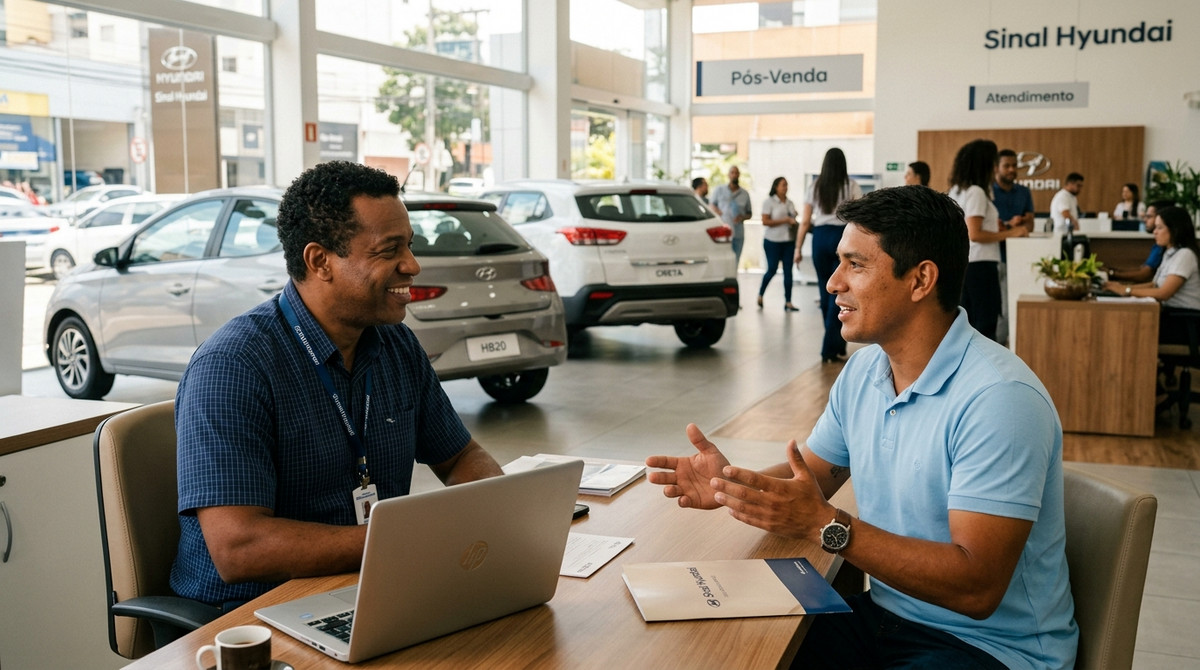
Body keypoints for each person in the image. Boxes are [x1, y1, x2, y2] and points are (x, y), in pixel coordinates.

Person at [645, 185, 1077, 670]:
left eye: (855, 265)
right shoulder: (866, 370)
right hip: (888, 619)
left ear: (920, 280)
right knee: (727, 648)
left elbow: (977, 588)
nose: (832, 283)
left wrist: (822, 524)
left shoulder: (999, 399)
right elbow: (810, 477)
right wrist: (730, 485)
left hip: (989, 649)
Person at [170, 161, 504, 609]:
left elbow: (460, 457)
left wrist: (504, 513)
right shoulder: (233, 367)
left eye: (410, 246)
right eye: (390, 251)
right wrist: (403, 542)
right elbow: (240, 547)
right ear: (319, 261)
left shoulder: (395, 345)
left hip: (365, 585)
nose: (413, 265)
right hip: (249, 616)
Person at [949, 139, 1028, 341]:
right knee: (985, 326)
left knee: (969, 325)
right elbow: (974, 234)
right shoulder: (976, 192)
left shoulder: (959, 190)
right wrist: (1012, 232)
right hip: (980, 267)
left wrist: (997, 227)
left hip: (966, 266)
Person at [795, 147, 861, 362]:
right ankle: (830, 347)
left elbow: (805, 221)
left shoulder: (814, 187)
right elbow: (859, 218)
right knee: (840, 293)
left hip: (820, 239)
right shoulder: (851, 186)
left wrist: (797, 248)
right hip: (843, 238)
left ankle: (836, 342)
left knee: (826, 289)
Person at [1105, 205, 1200, 342]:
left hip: (1184, 323)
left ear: (1175, 230)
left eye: (1159, 228)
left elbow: (1163, 293)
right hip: (1171, 317)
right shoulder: (1169, 253)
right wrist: (1117, 287)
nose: (1154, 232)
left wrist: (1126, 290)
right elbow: (1154, 285)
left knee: (1127, 330)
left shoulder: (1185, 255)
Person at [757, 176, 799, 311]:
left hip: (788, 241)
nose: (785, 188)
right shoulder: (769, 202)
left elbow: (793, 217)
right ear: (776, 187)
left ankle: (788, 301)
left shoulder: (789, 203)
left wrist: (792, 218)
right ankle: (761, 294)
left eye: (786, 185)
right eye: (783, 185)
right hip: (772, 241)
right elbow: (765, 221)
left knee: (788, 272)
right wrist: (785, 220)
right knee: (772, 269)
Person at [1108, 199, 1174, 283]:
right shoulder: (1158, 246)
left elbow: (1143, 275)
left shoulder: (1163, 248)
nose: (1145, 220)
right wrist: (1113, 271)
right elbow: (1142, 270)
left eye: (1149, 217)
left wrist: (1112, 274)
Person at [710, 166, 752, 269]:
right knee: (722, 261)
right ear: (728, 175)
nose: (734, 175)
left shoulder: (744, 194)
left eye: (736, 173)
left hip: (738, 232)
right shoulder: (719, 190)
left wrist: (742, 217)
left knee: (735, 261)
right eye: (732, 173)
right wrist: (718, 211)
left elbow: (749, 213)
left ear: (739, 175)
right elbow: (711, 205)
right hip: (723, 231)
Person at [991, 149, 1034, 233]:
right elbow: (981, 227)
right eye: (1006, 166)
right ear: (996, 168)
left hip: (1017, 244)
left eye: (1014, 166)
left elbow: (1030, 225)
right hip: (992, 244)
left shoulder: (1024, 191)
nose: (1012, 170)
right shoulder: (987, 192)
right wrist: (1009, 225)